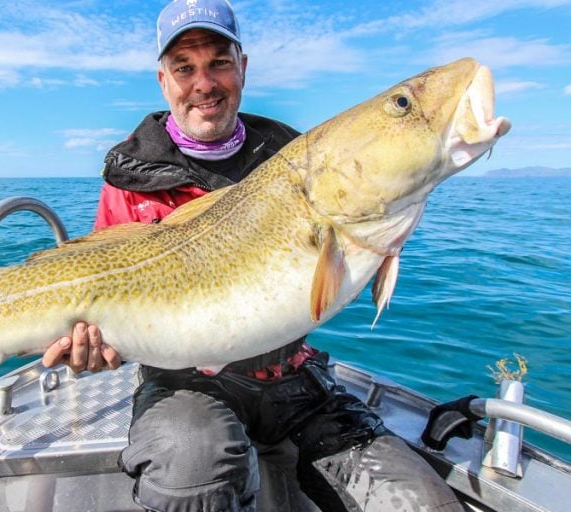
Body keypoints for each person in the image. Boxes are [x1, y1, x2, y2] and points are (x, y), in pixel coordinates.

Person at [43, 1, 464, 511]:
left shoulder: (298, 157)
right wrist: (92, 345)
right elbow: (104, 292)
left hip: (293, 373)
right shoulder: (128, 178)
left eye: (219, 61)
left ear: (243, 67)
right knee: (189, 472)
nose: (204, 83)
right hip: (182, 382)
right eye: (184, 68)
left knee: (420, 500)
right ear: (163, 80)